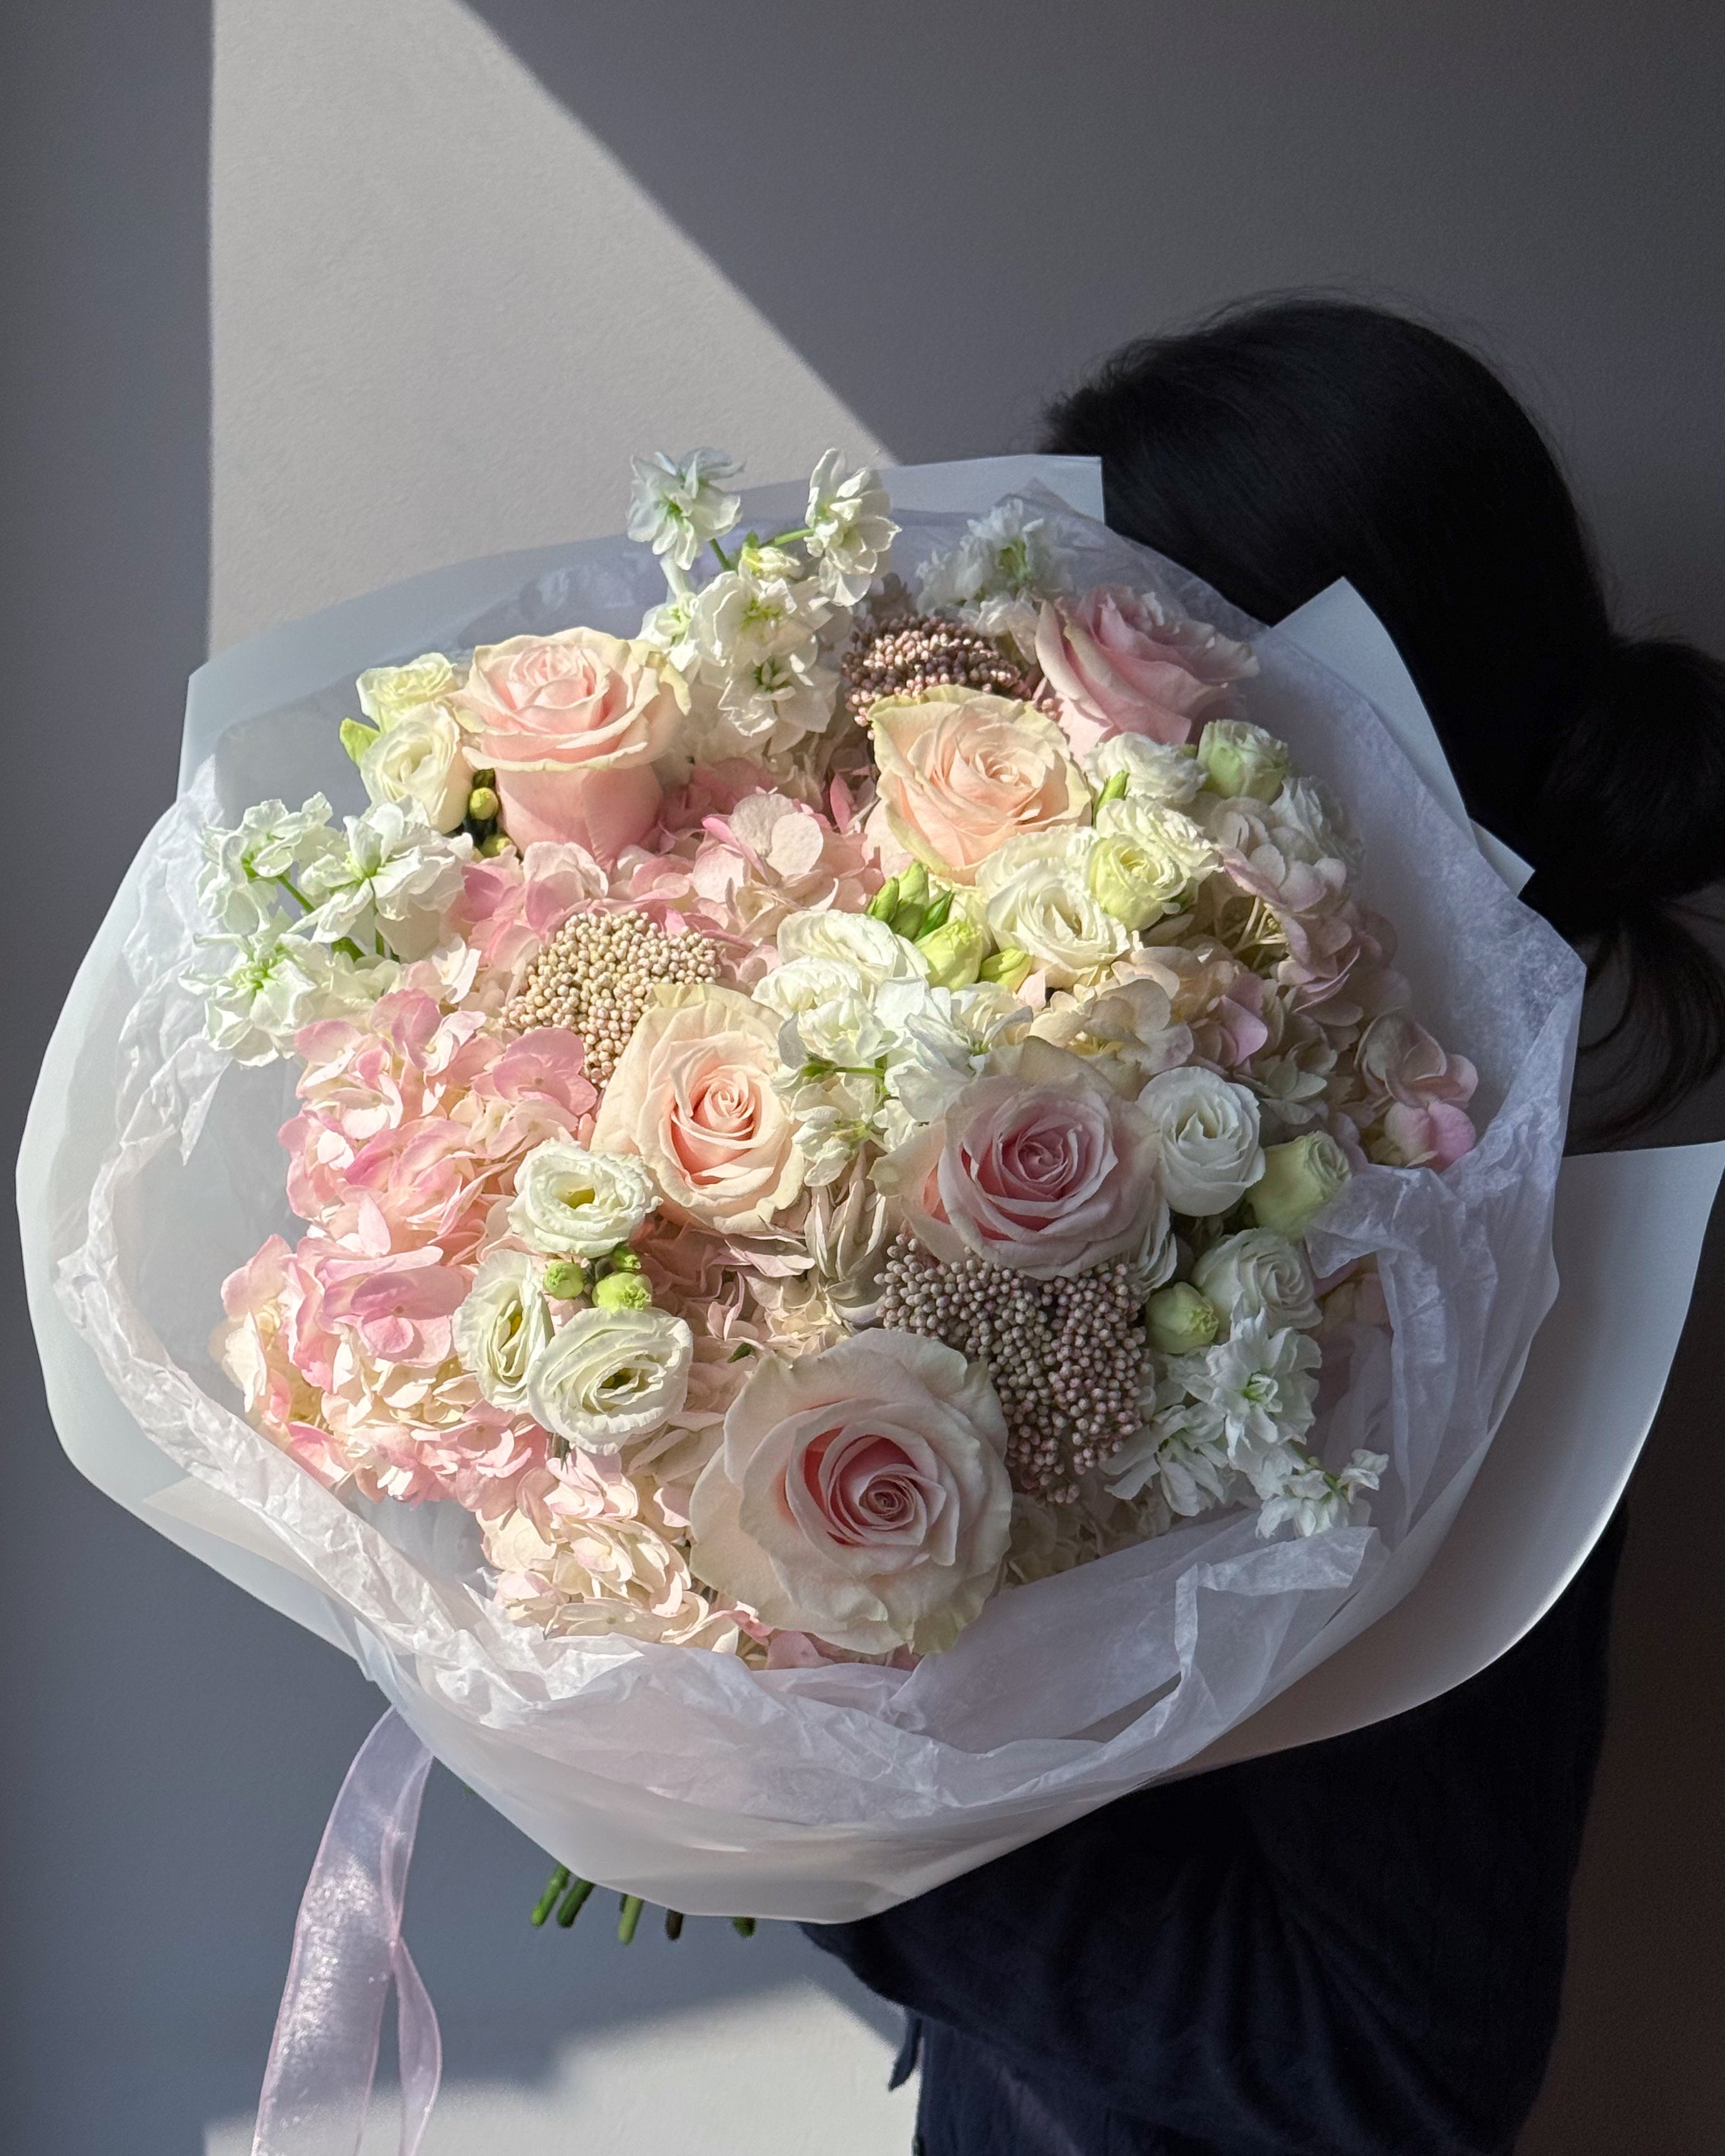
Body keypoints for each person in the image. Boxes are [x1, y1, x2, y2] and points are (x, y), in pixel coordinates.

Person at [804, 299, 1725, 2155]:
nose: (1047, 740)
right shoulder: (1150, 1157)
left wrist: (837, 1832)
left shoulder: (1437, 1300)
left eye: (1114, 667)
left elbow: (1391, 2062)